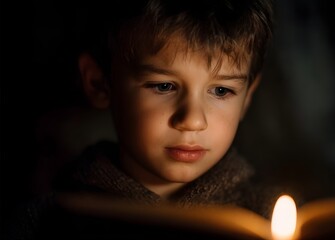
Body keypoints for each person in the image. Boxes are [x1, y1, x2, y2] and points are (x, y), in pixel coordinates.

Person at [7, 0, 286, 239]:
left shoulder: (265, 220)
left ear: (247, 97)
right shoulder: (45, 224)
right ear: (99, 84)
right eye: (163, 86)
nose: (192, 120)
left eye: (222, 90)